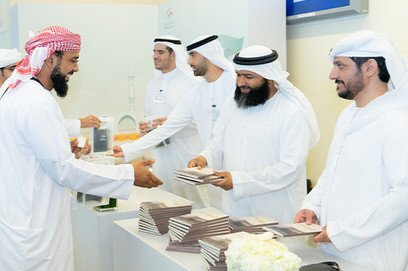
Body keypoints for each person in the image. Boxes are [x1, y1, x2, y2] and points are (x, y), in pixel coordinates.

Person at [0, 26, 162, 271]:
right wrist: (129, 174)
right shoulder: (36, 101)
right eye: (73, 60)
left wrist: (62, 151)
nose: (76, 68)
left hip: (20, 219)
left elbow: (27, 153)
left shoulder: (15, 92)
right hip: (35, 231)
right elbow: (64, 170)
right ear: (50, 58)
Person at [294, 30, 408, 271]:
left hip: (372, 257)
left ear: (369, 67)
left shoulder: (398, 123)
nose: (332, 74)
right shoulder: (349, 115)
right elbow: (333, 170)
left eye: (340, 66)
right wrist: (313, 206)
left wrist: (341, 231)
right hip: (332, 249)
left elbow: (404, 198)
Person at [188, 45, 319, 223]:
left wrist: (238, 181)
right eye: (239, 75)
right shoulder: (235, 103)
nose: (241, 82)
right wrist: (205, 158)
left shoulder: (291, 111)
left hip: (275, 211)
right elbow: (219, 141)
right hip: (236, 208)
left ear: (269, 78)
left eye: (249, 77)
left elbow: (290, 168)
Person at [112, 35, 236, 207]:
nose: (189, 61)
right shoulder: (197, 93)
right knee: (217, 213)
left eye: (193, 55)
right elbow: (168, 127)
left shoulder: (235, 84)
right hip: (208, 161)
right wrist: (129, 149)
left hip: (236, 165)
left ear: (208, 55)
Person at [138, 36, 202, 199]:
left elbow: (201, 121)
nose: (154, 56)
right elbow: (148, 115)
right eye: (154, 52)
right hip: (160, 155)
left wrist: (170, 122)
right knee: (163, 199)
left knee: (192, 200)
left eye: (160, 52)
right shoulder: (152, 84)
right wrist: (145, 128)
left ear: (174, 55)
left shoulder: (192, 83)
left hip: (185, 153)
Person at [0, 48, 101, 136]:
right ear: (51, 61)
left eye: (21, 67)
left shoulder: (19, 93)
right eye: (13, 69)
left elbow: (43, 127)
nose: (19, 73)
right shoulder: (29, 96)